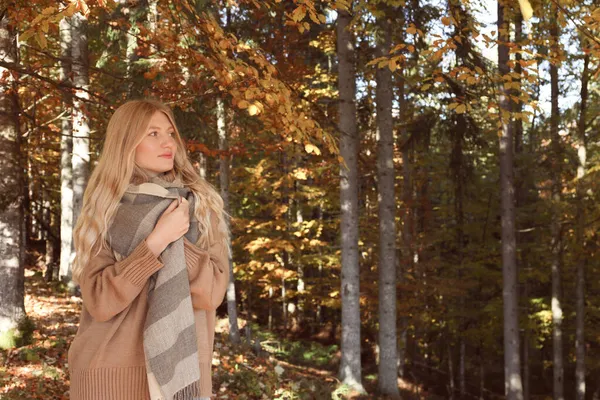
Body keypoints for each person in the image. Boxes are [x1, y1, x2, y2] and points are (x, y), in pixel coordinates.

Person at [67, 99, 230, 400]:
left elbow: (212, 293)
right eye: (152, 133)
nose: (168, 142)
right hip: (109, 377)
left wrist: (178, 242)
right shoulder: (105, 210)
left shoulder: (200, 208)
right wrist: (156, 242)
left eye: (170, 133)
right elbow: (100, 301)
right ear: (126, 143)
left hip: (182, 378)